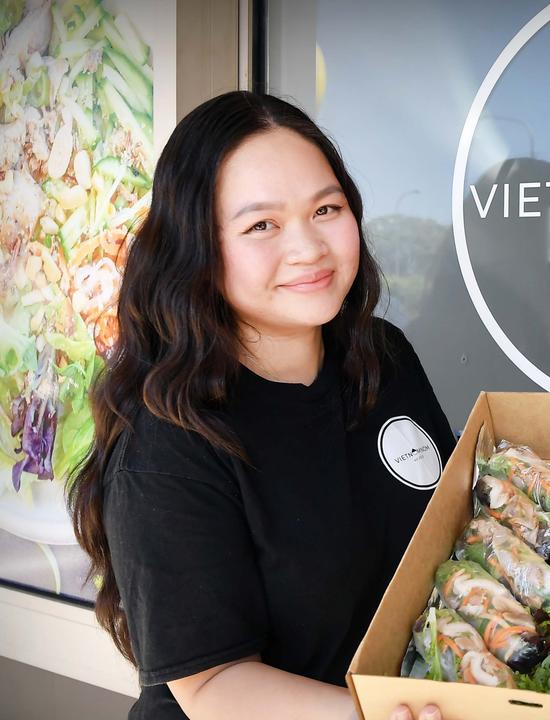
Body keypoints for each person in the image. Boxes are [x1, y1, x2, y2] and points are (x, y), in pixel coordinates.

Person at [68, 91, 451, 720]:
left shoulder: (383, 356)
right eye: (261, 225)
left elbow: (446, 525)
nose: (308, 248)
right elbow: (213, 686)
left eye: (326, 209)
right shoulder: (167, 437)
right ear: (197, 247)